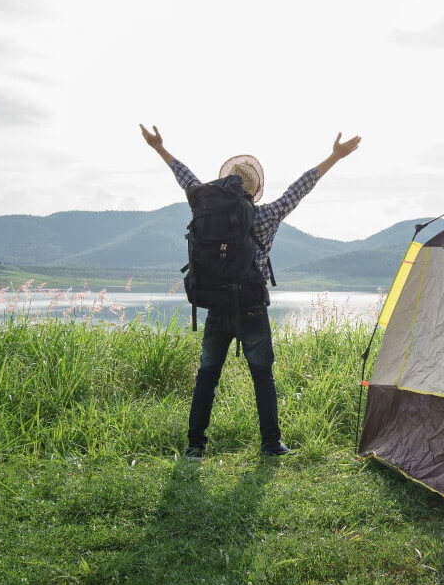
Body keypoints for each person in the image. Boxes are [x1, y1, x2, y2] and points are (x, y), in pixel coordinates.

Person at [140, 124, 362, 458]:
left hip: (216, 304)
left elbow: (184, 175)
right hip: (251, 307)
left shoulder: (201, 203)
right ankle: (271, 444)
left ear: (224, 183)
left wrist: (159, 147)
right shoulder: (267, 214)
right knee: (262, 376)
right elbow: (299, 188)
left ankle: (194, 447)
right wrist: (335, 155)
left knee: (207, 376)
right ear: (255, 188)